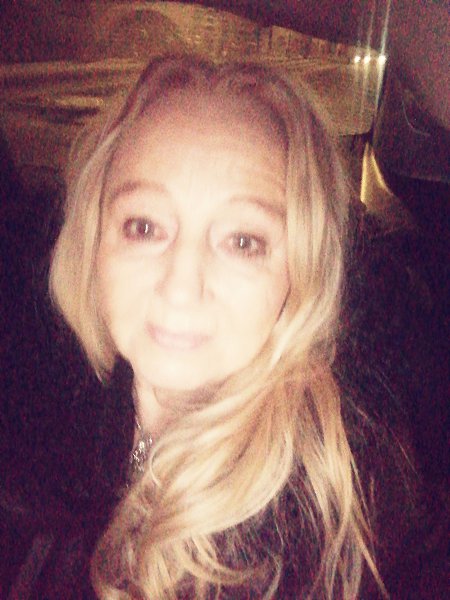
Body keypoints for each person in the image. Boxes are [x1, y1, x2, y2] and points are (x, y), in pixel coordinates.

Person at [46, 54, 406, 599]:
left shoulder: (281, 541)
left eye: (242, 241)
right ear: (93, 242)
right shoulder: (81, 407)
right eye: (144, 227)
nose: (181, 286)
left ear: (301, 271)